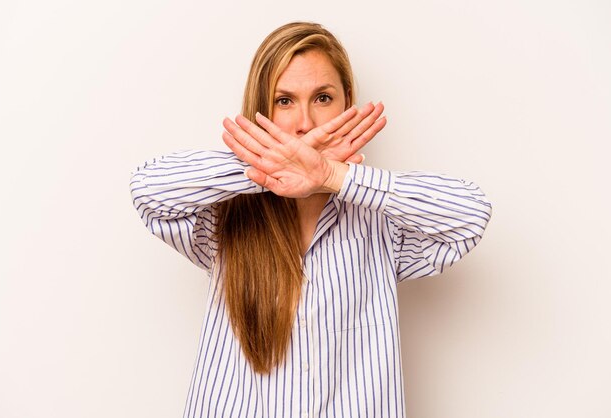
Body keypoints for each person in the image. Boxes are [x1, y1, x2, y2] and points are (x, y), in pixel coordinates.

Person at [130, 22, 492, 418]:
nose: (305, 122)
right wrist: (270, 169)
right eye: (284, 101)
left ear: (347, 102)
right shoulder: (222, 219)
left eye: (322, 97)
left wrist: (331, 175)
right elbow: (149, 190)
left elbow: (470, 214)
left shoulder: (382, 225)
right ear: (261, 110)